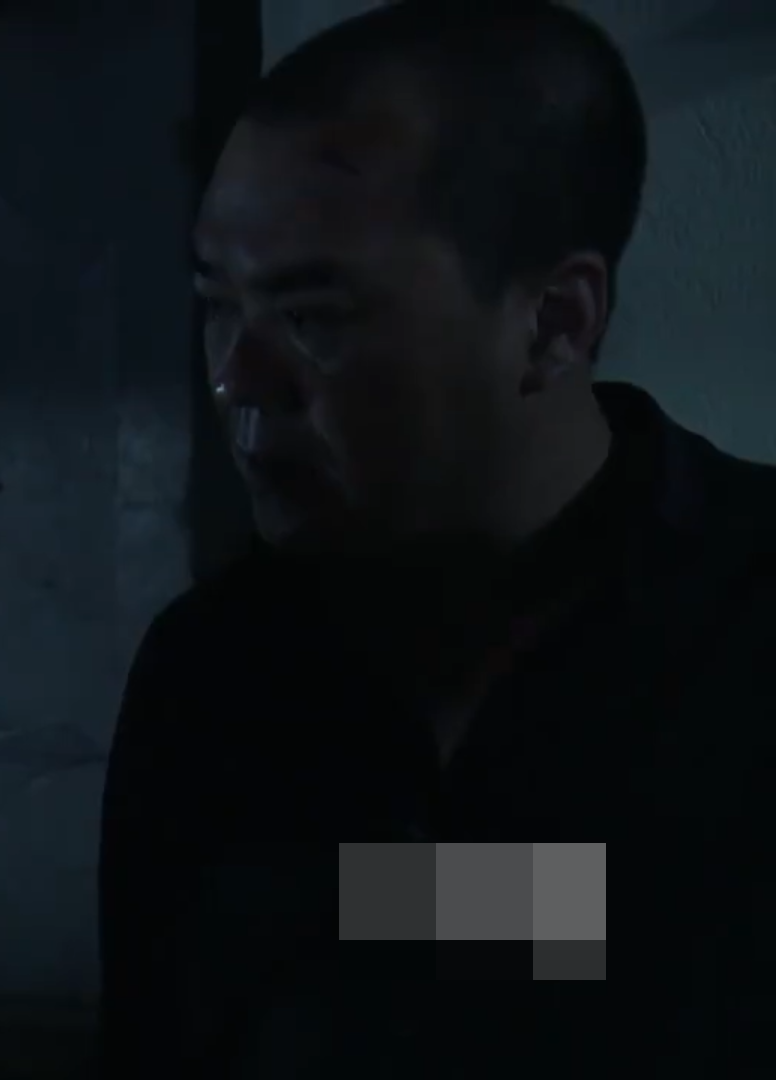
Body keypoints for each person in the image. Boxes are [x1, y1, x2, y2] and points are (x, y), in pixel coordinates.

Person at [100, 2, 776, 1076]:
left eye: (314, 316)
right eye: (218, 302)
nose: (236, 377)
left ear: (555, 323)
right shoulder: (211, 672)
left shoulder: (747, 625)